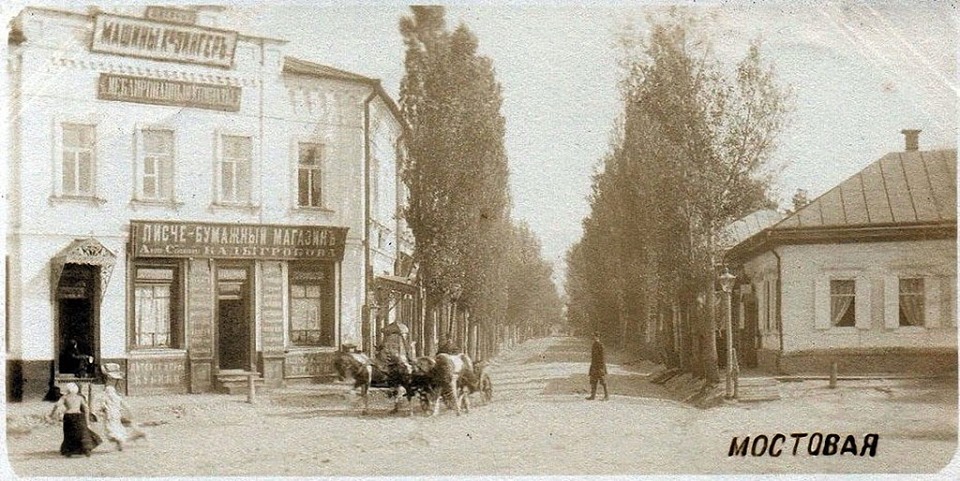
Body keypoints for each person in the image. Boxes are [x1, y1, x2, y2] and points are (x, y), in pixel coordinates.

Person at [47, 382, 102, 457]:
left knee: (69, 433)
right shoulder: (80, 397)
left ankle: (69, 451)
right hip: (79, 415)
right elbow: (86, 408)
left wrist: (51, 414)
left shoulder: (65, 397)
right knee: (83, 432)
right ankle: (86, 449)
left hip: (68, 416)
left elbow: (57, 405)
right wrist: (87, 421)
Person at [99, 386, 146, 451]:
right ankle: (119, 444)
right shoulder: (118, 398)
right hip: (117, 414)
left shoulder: (105, 398)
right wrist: (131, 414)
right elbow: (127, 406)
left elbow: (102, 407)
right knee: (117, 427)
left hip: (109, 415)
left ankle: (119, 440)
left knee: (110, 428)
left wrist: (101, 412)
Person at [586, 332, 609, 401]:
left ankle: (606, 396)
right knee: (593, 381)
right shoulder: (594, 345)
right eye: (593, 336)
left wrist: (601, 367)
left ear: (598, 337)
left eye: (595, 336)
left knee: (603, 381)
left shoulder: (600, 345)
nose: (593, 338)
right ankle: (593, 396)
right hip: (594, 366)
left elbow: (602, 358)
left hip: (599, 366)